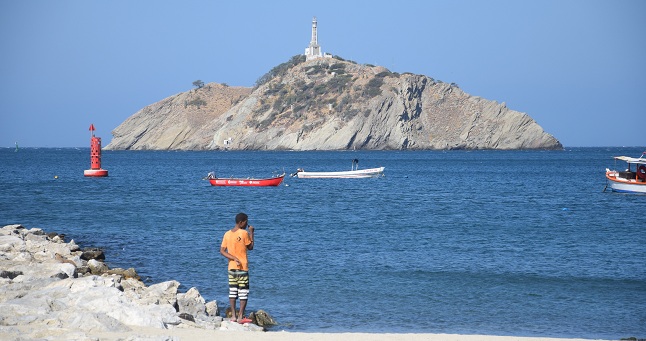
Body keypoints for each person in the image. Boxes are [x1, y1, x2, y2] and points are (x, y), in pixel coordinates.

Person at [219, 212, 254, 323]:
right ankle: (240, 317)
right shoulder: (244, 233)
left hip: (231, 268)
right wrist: (251, 233)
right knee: (243, 292)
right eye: (246, 222)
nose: (247, 224)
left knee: (233, 291)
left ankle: (233, 316)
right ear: (241, 222)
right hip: (242, 268)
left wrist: (233, 258)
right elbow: (251, 247)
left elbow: (222, 251)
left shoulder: (227, 234)